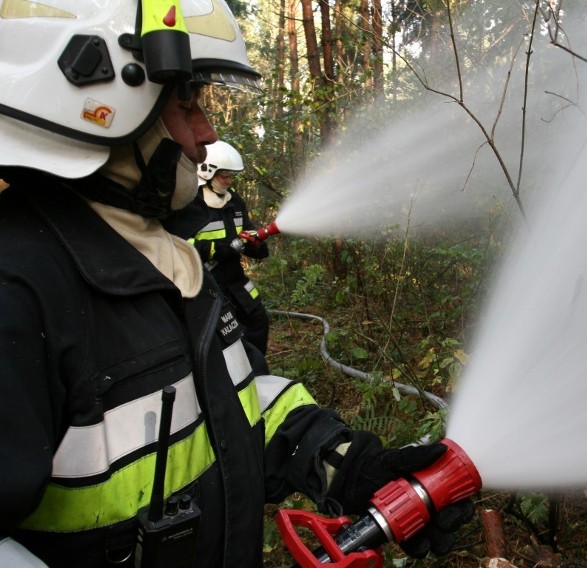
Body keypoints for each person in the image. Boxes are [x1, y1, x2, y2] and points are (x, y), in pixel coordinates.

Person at [0, 1, 473, 567]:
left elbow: (240, 402)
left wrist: (347, 462)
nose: (205, 135)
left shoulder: (164, 258)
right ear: (96, 98)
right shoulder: (17, 290)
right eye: (186, 105)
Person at [164, 140, 271, 358]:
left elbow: (246, 231)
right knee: (228, 340)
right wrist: (211, 250)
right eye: (225, 176)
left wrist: (256, 246)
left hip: (238, 285)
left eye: (231, 176)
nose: (229, 181)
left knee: (258, 324)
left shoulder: (234, 201)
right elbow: (173, 243)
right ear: (206, 172)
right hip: (207, 285)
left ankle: (259, 376)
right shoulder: (188, 204)